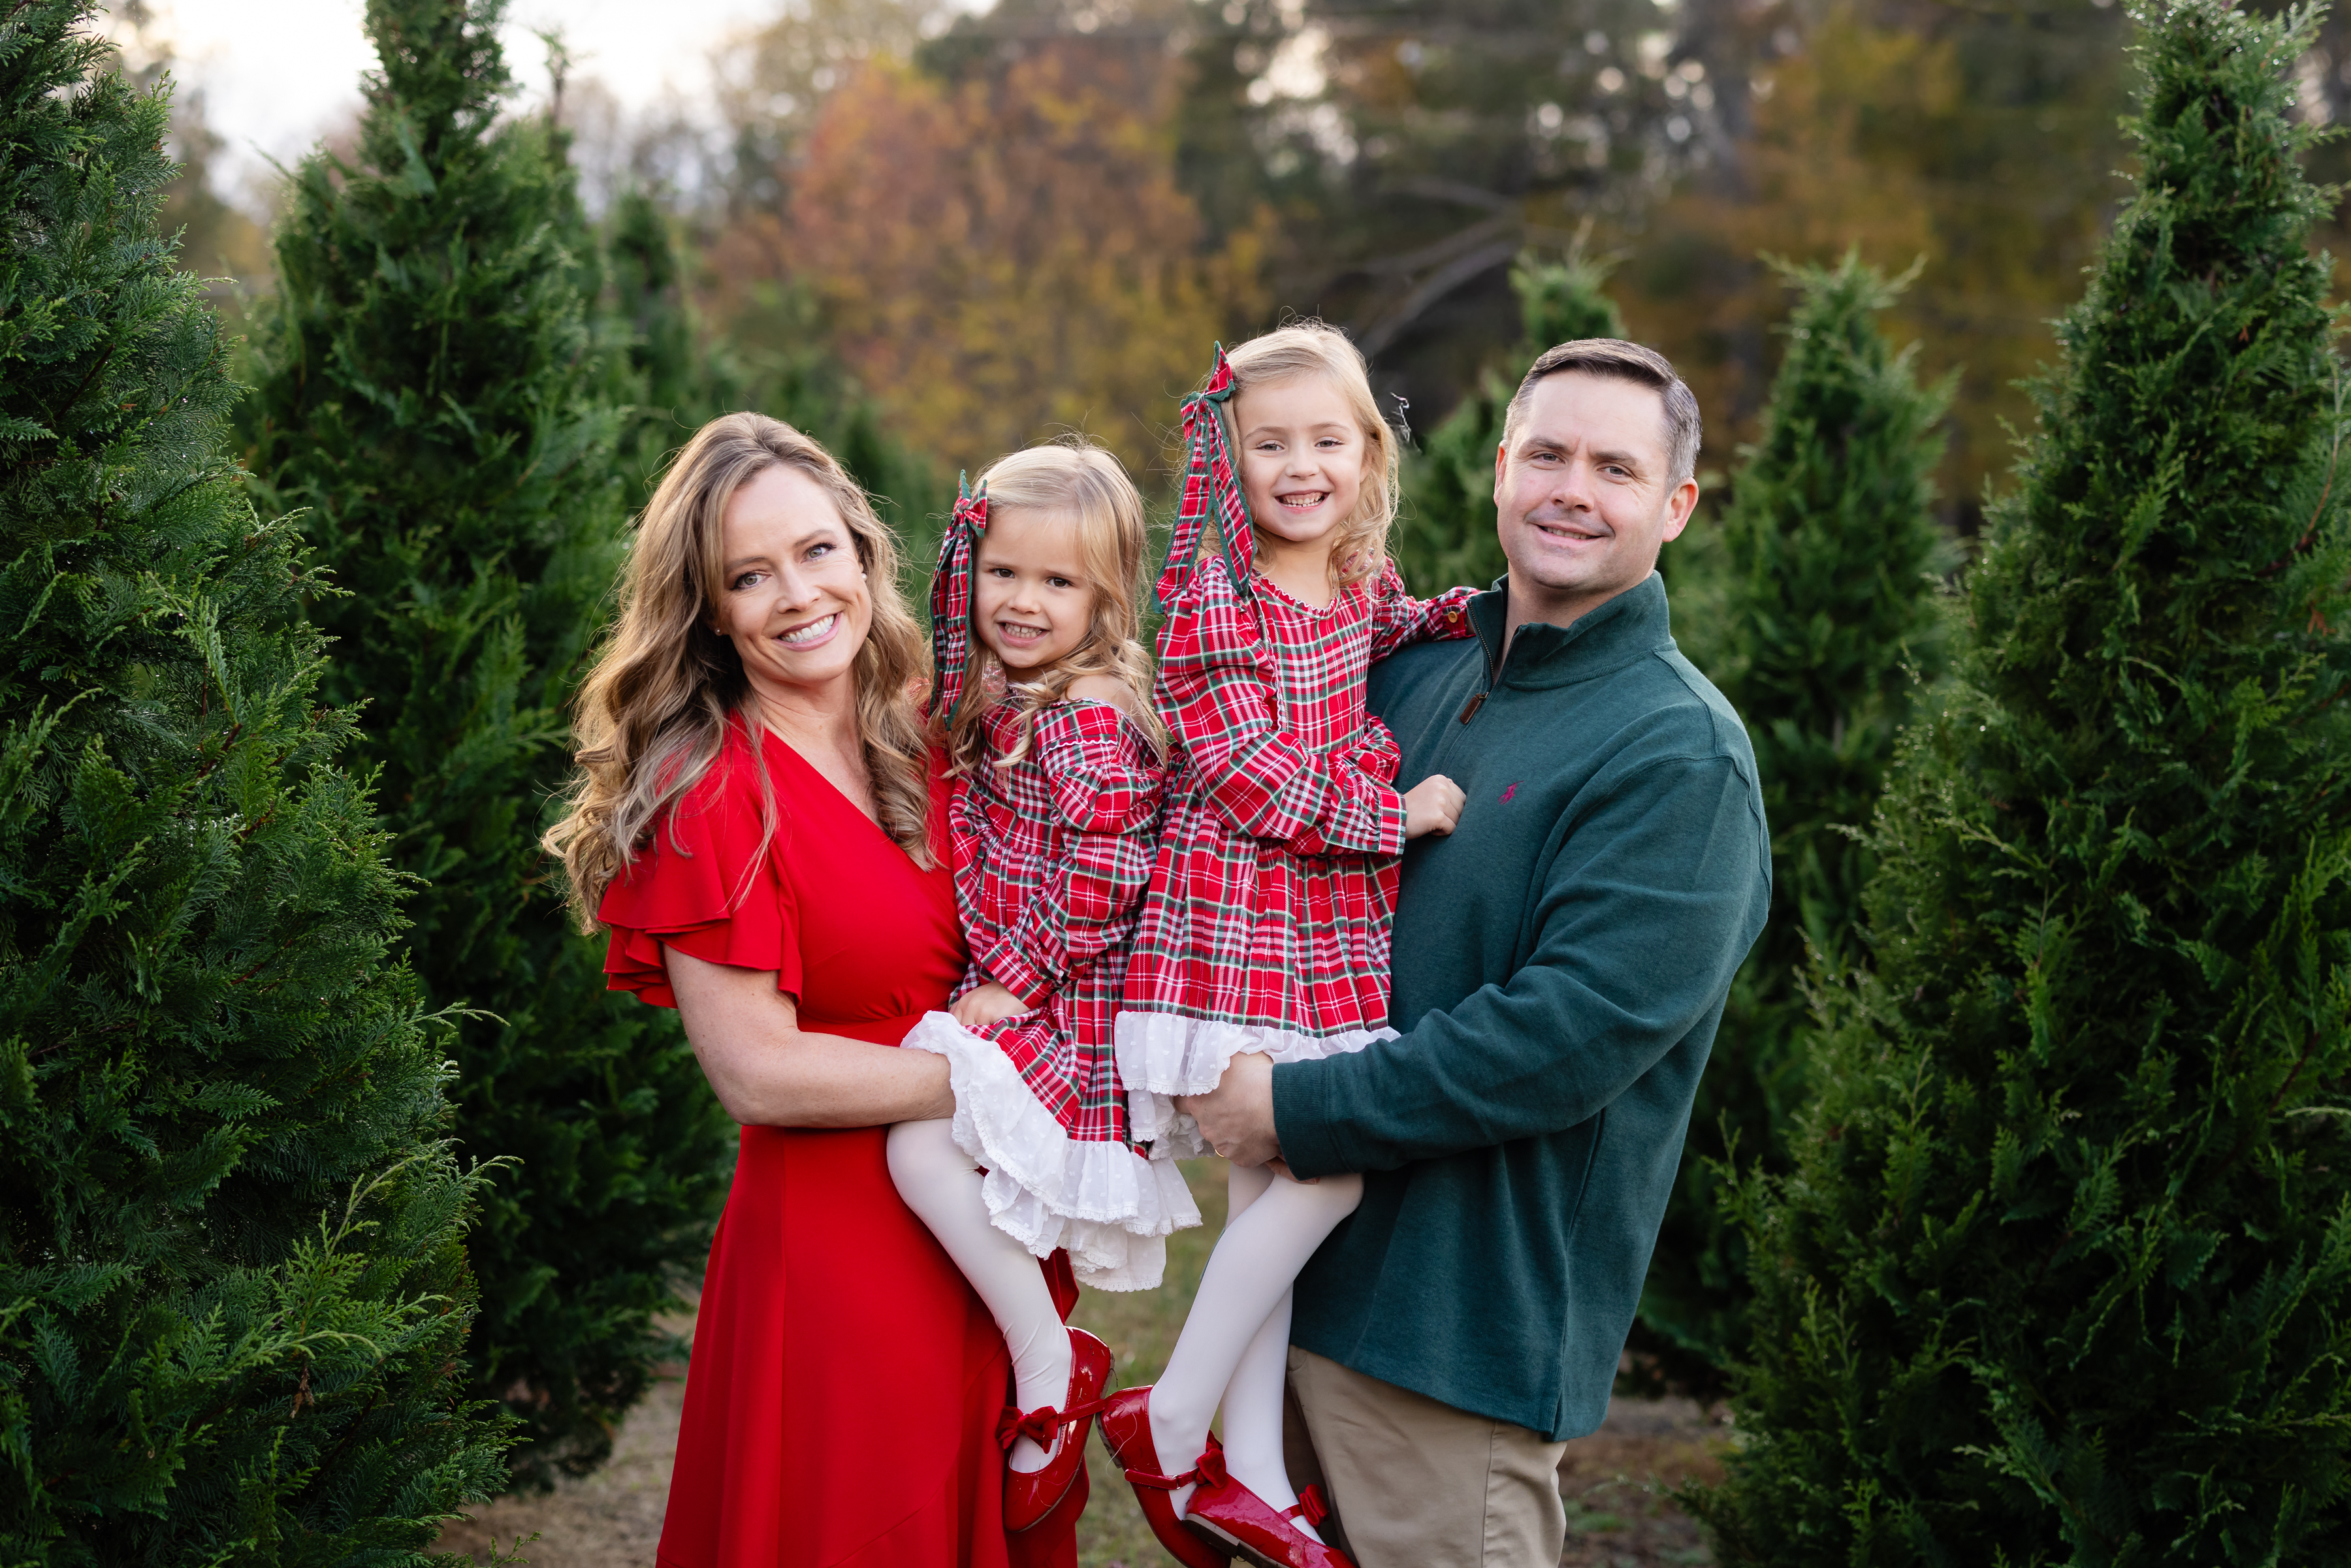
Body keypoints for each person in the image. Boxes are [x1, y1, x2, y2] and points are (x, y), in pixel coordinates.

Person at [1181, 339, 1773, 1568]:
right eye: (1546, 453)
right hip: (1281, 1304)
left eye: (1616, 467)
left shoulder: (1678, 754)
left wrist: (1293, 1105)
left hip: (1452, 1346)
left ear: (1676, 507)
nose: (1571, 487)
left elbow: (1559, 1043)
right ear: (1499, 471)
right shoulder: (1404, 667)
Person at [542, 413, 1077, 1568]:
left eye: (816, 550)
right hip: (838, 1262)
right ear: (710, 608)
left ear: (862, 548)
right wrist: (1000, 1081)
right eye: (750, 575)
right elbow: (758, 1070)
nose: (796, 594)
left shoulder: (933, 731)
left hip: (984, 1225)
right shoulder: (712, 789)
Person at [1098, 325, 1477, 1568]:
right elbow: (1241, 773)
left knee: (1274, 1186)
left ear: (1368, 454)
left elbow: (1389, 627)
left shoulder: (1359, 583)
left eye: (1328, 439)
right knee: (1328, 1172)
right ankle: (1169, 1417)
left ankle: (1253, 1474)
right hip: (1226, 931)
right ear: (1229, 458)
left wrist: (1465, 612)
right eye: (1271, 443)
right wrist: (1392, 812)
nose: (1300, 465)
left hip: (1316, 941)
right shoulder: (1215, 596)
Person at [890, 441, 1199, 1533]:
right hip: (1027, 985)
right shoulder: (1006, 694)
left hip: (1064, 1003)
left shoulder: (1091, 719)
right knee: (942, 1160)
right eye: (1003, 572)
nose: (1021, 601)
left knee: (913, 1138)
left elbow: (1109, 874)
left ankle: (1048, 1361)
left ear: (1106, 600)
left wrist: (1011, 983)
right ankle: (1029, 1353)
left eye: (1057, 582)